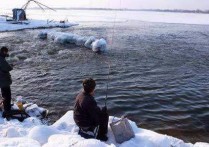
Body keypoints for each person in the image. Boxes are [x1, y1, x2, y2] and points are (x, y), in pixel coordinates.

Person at [0, 47, 13, 117]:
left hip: (2, 81)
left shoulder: (1, 57)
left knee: (4, 94)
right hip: (3, 81)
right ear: (4, 52)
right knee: (7, 95)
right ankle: (7, 110)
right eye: (6, 52)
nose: (7, 53)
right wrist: (11, 66)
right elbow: (8, 68)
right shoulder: (1, 59)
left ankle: (6, 107)